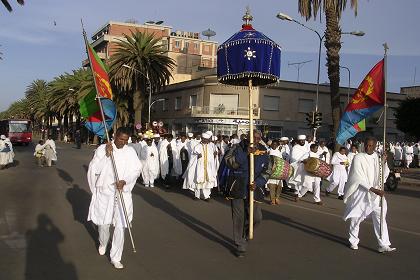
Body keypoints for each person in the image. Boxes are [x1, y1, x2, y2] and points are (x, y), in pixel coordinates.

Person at [87, 127, 142, 269]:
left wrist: (125, 181)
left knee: (120, 226)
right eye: (120, 139)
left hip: (122, 192)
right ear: (115, 136)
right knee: (104, 225)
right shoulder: (103, 148)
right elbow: (94, 169)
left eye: (125, 140)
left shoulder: (130, 152)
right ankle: (103, 242)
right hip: (106, 192)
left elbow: (136, 169)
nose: (122, 143)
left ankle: (116, 257)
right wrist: (106, 155)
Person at [343, 136, 396, 253]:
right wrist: (372, 189)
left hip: (377, 194)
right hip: (362, 193)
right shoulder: (358, 157)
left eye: (371, 145)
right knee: (356, 218)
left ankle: (384, 244)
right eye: (366, 144)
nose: (368, 147)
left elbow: (384, 174)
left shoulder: (378, 158)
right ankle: (353, 241)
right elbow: (358, 177)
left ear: (375, 146)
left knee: (380, 218)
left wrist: (384, 162)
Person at [224, 130, 272, 257]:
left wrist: (259, 182)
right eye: (253, 137)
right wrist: (246, 153)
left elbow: (267, 170)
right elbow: (230, 163)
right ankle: (240, 243)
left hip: (254, 189)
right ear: (247, 137)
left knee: (256, 217)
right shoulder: (237, 147)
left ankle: (245, 234)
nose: (255, 140)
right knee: (239, 217)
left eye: (257, 138)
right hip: (238, 187)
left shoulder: (263, 150)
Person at [182, 132, 218, 201]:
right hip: (199, 167)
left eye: (206, 139)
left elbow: (212, 158)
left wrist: (215, 155)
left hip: (208, 168)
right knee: (198, 181)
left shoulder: (211, 147)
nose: (205, 140)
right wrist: (197, 156)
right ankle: (197, 196)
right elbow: (193, 157)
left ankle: (206, 196)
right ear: (202, 139)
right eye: (204, 139)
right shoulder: (197, 147)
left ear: (208, 140)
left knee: (207, 182)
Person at [267, 139, 283, 205]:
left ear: (277, 145)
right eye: (273, 144)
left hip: (278, 171)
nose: (274, 146)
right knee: (272, 185)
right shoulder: (268, 151)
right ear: (271, 144)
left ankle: (277, 198)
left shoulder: (279, 152)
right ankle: (272, 199)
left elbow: (282, 161)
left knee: (279, 186)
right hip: (271, 171)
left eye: (276, 145)